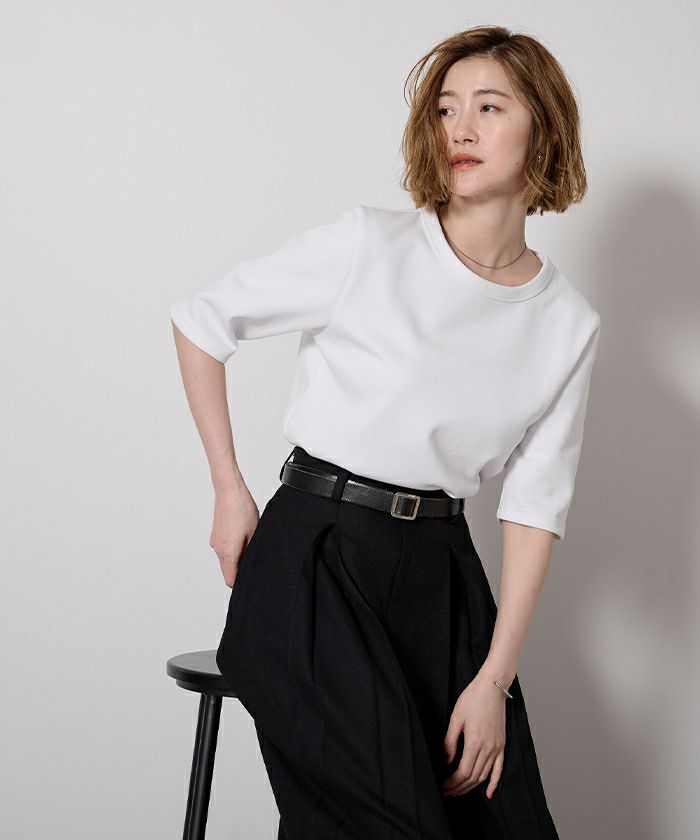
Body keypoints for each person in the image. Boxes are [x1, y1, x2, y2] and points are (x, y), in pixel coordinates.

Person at [169, 24, 601, 840]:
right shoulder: (371, 244)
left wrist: (495, 680)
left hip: (442, 577)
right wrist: (230, 489)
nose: (460, 128)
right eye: (445, 109)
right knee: (396, 826)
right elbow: (201, 322)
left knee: (508, 823)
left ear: (543, 129)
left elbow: (535, 505)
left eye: (488, 107)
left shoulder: (567, 322)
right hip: (314, 560)